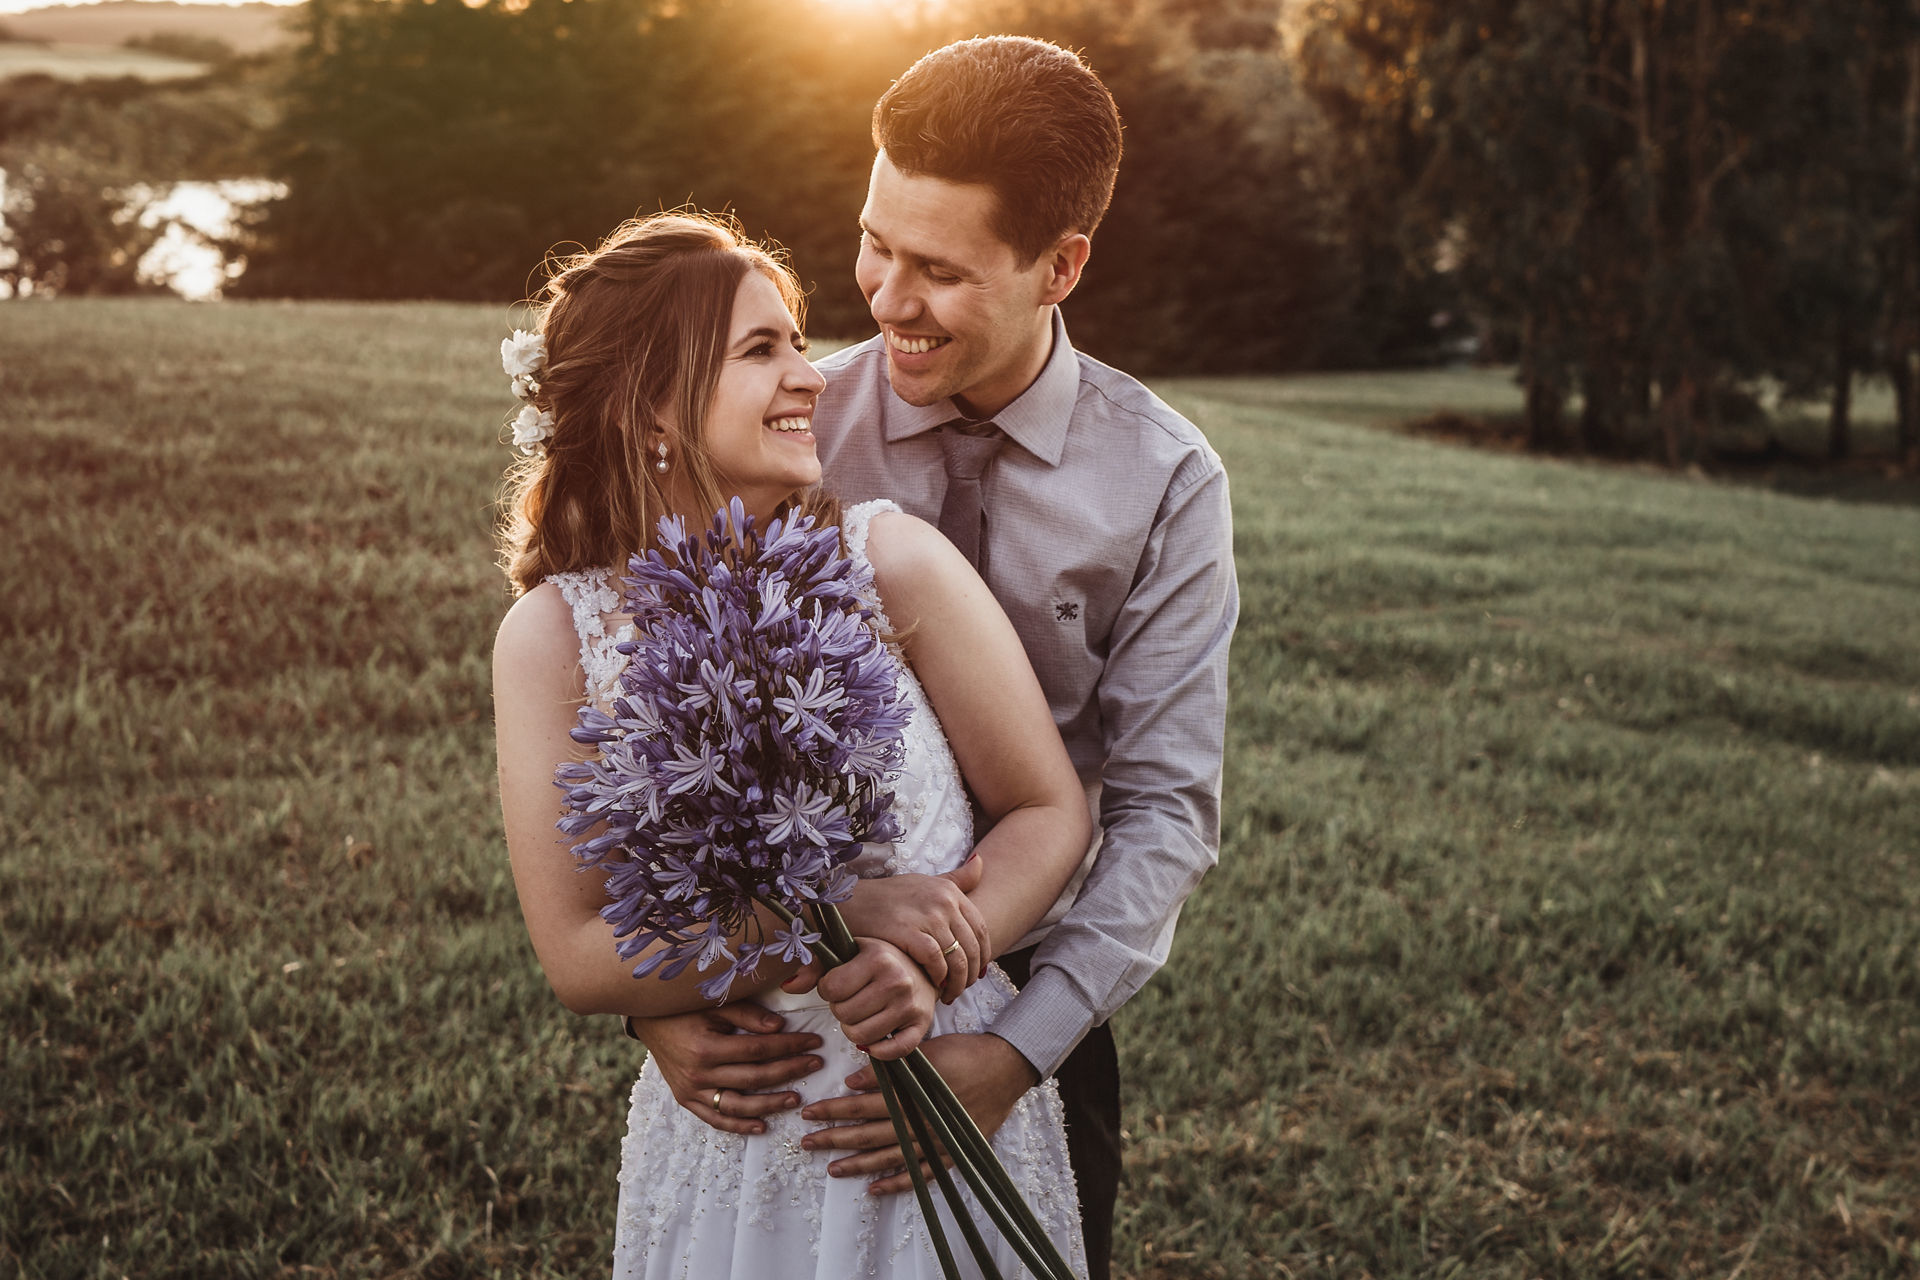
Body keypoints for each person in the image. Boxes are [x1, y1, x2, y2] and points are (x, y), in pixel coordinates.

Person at [623, 37, 1239, 1280]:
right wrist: (663, 1003)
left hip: (1026, 998)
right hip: (787, 998)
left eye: (942, 271)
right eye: (875, 243)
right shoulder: (789, 424)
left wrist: (1014, 1051)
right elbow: (654, 713)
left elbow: (1167, 809)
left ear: (1061, 266)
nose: (887, 299)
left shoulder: (1166, 483)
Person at [492, 211, 1094, 1277]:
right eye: (761, 350)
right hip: (739, 1139)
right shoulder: (554, 636)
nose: (810, 376)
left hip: (932, 1099)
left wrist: (934, 953)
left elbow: (1050, 808)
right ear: (649, 409)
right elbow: (582, 954)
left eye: (798, 342)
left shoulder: (888, 564)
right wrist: (833, 921)